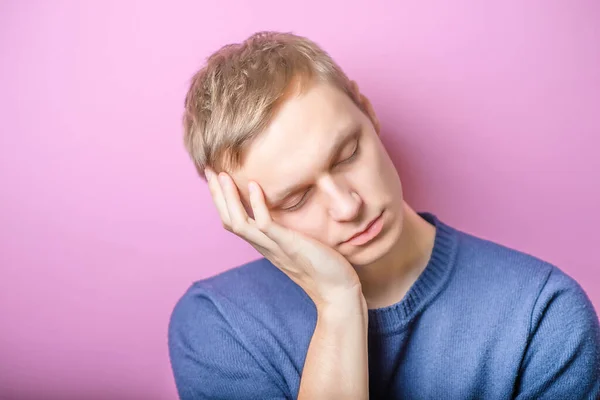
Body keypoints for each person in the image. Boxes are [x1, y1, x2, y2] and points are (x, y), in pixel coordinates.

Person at [168, 31, 600, 399]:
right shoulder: (220, 326)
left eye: (348, 154)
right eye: (296, 199)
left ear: (368, 112)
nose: (348, 205)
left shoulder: (542, 314)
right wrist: (338, 304)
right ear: (245, 212)